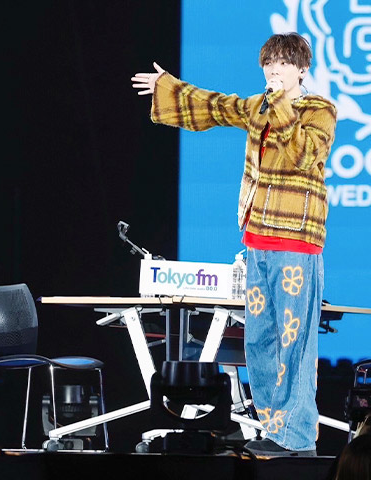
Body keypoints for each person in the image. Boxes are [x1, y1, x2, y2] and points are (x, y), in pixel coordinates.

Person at [131, 32, 336, 456]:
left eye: (284, 63)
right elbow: (214, 106)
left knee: (293, 345)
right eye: (269, 63)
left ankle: (298, 440)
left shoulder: (319, 110)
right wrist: (169, 87)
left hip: (296, 243)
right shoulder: (259, 106)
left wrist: (278, 104)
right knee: (259, 344)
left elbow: (303, 154)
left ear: (302, 69)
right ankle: (274, 431)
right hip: (257, 240)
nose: (274, 70)